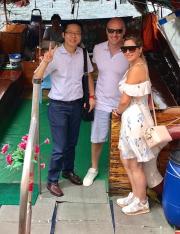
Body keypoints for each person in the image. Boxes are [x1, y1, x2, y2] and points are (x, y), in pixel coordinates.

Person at [33, 20, 96, 197]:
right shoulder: (55, 55)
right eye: (70, 32)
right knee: (59, 146)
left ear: (80, 36)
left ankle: (67, 171)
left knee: (71, 143)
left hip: (76, 105)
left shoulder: (83, 53)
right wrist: (46, 61)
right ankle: (52, 180)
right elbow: (36, 78)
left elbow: (88, 75)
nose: (73, 36)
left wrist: (91, 96)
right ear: (63, 35)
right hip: (58, 107)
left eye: (77, 33)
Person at [83, 17, 129, 187]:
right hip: (101, 100)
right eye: (111, 30)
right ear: (106, 31)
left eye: (118, 31)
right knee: (97, 138)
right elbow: (92, 71)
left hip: (123, 103)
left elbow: (140, 71)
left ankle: (121, 170)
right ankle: (93, 168)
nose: (114, 34)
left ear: (124, 31)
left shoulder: (129, 50)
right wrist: (91, 96)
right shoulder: (97, 49)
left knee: (122, 140)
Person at [114, 34, 156, 215]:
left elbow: (125, 100)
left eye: (132, 48)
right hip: (131, 117)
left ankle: (142, 201)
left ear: (140, 49)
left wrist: (118, 111)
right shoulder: (134, 66)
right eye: (125, 49)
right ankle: (136, 195)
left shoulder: (137, 69)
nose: (128, 52)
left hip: (135, 118)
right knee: (126, 158)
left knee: (134, 162)